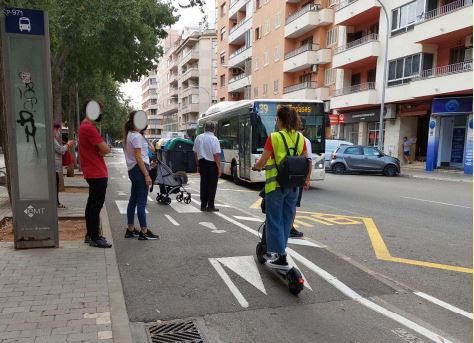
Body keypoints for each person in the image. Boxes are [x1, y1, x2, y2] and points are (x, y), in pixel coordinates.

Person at [253, 106, 310, 270]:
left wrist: (256, 167)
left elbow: (262, 161)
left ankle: (279, 254)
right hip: (293, 187)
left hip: (275, 186)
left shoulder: (274, 137)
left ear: (281, 120)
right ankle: (281, 250)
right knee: (286, 221)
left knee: (274, 220)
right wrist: (306, 180)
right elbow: (306, 161)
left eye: (277, 119)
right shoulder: (300, 138)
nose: (276, 122)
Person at [78, 101, 112, 248]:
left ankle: (90, 234)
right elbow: (105, 149)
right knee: (95, 206)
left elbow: (100, 149)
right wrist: (103, 148)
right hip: (96, 172)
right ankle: (94, 237)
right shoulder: (89, 128)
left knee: (92, 204)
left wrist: (100, 149)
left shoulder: (83, 127)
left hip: (91, 171)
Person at [123, 112, 159, 240]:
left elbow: (141, 154)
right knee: (141, 203)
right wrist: (146, 175)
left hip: (133, 170)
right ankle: (144, 231)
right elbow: (138, 157)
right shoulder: (137, 136)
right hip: (139, 170)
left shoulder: (131, 134)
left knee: (133, 200)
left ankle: (130, 229)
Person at [290, 120, 313, 238]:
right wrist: (307, 179)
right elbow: (308, 161)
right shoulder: (304, 140)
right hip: (298, 176)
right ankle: (290, 228)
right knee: (293, 203)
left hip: (283, 176)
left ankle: (286, 226)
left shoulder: (281, 136)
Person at [193, 121, 221, 212]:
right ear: (213, 129)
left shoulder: (198, 137)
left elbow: (195, 152)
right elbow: (216, 154)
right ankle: (210, 206)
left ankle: (203, 205)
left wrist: (198, 165)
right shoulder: (214, 139)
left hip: (202, 163)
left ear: (204, 128)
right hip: (212, 164)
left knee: (203, 184)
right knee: (212, 185)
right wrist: (219, 168)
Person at [53, 123, 74, 208]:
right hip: (53, 167)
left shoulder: (54, 139)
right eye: (57, 130)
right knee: (55, 185)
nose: (58, 132)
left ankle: (56, 202)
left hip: (55, 167)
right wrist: (68, 144)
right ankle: (56, 203)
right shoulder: (52, 140)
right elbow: (61, 150)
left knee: (56, 184)